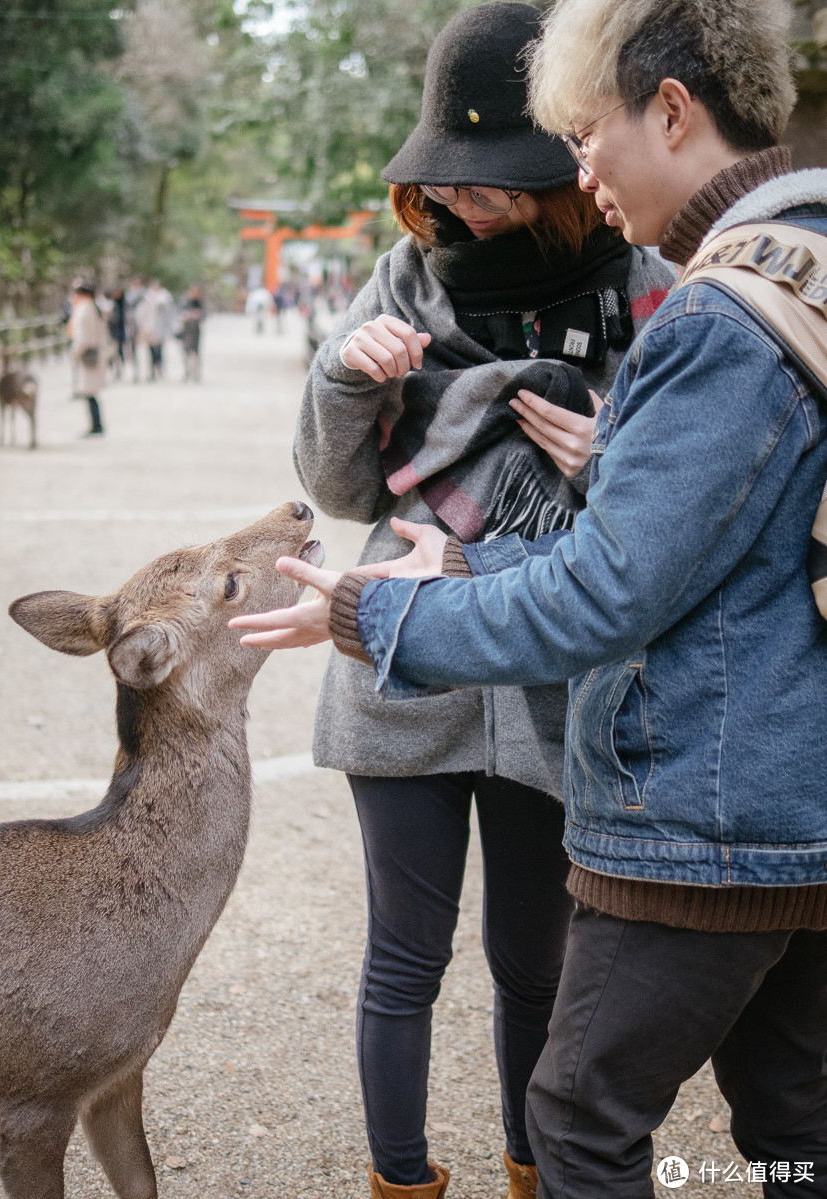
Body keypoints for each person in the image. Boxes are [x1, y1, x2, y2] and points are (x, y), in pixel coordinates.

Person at [232, 0, 827, 1195]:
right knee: (789, 1117)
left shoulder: (697, 301)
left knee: (573, 1089)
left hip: (684, 778)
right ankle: (401, 1169)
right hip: (742, 760)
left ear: (664, 110)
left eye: (578, 136)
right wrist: (354, 395)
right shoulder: (786, 266)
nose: (578, 168)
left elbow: (615, 577)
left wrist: (383, 607)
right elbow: (711, 522)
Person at [285, 7, 673, 1198]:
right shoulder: (401, 276)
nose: (463, 201)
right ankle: (400, 1177)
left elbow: (672, 509)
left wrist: (606, 457)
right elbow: (339, 485)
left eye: (496, 180)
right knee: (402, 958)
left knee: (535, 965)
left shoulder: (644, 284)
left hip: (552, 671)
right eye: (448, 179)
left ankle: (532, 1167)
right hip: (400, 651)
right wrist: (346, 381)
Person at [69, 282, 108, 436]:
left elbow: (81, 337)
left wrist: (75, 354)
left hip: (87, 354)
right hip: (95, 352)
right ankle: (96, 424)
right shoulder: (93, 308)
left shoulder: (84, 310)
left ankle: (95, 425)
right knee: (91, 392)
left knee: (89, 392)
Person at [134, 278, 177, 381]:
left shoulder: (165, 295)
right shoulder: (146, 297)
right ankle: (152, 371)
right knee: (150, 351)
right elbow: (140, 312)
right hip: (148, 328)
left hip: (160, 327)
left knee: (159, 350)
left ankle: (159, 368)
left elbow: (169, 311)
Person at [178, 284, 205, 381]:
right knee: (186, 351)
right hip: (186, 329)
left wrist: (198, 315)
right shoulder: (185, 301)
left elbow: (204, 315)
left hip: (196, 329)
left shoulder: (199, 301)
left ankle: (196, 372)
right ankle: (187, 371)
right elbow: (180, 312)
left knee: (196, 352)